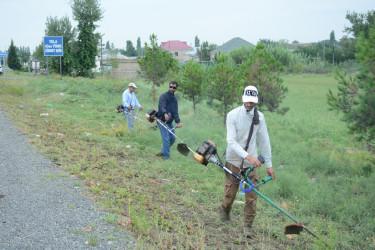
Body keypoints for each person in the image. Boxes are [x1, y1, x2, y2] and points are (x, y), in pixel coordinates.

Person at [220, 85, 275, 238]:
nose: (249, 105)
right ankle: (225, 210)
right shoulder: (233, 115)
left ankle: (248, 225)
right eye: (247, 101)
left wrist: (269, 165)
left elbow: (264, 142)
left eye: (252, 102)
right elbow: (231, 141)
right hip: (234, 159)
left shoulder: (260, 117)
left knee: (252, 194)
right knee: (231, 191)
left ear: (256, 101)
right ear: (243, 98)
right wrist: (248, 156)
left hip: (251, 162)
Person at [156, 81, 183, 160]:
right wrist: (165, 113)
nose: (172, 88)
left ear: (176, 89)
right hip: (162, 120)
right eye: (170, 86)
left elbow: (175, 112)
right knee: (166, 138)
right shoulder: (163, 96)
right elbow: (162, 106)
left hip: (170, 122)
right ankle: (167, 157)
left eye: (174, 87)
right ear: (169, 86)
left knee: (172, 138)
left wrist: (178, 122)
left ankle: (163, 152)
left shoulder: (175, 99)